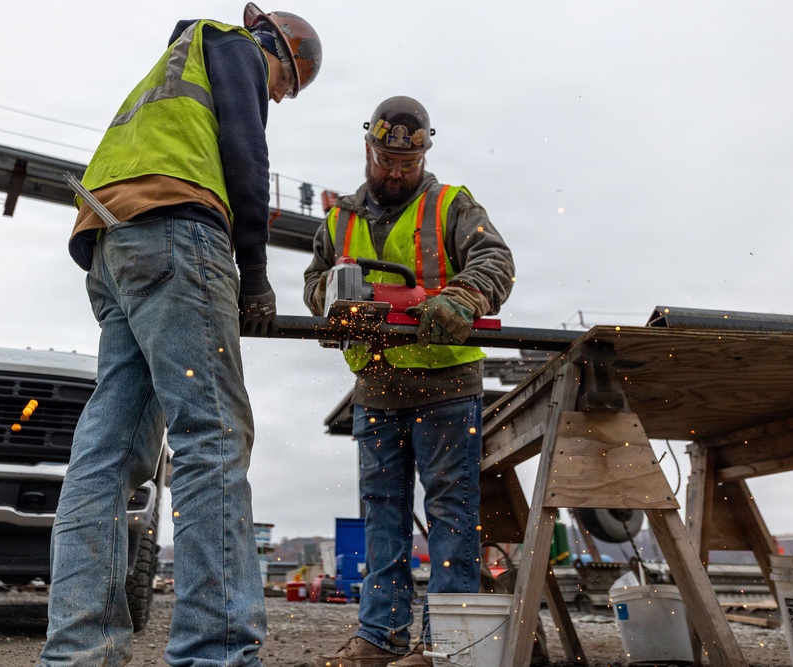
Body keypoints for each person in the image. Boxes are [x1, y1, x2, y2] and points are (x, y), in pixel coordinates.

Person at [38, 5, 321, 666]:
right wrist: (253, 272)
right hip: (176, 230)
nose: (278, 94)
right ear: (278, 49)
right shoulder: (232, 45)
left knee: (106, 455)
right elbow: (248, 156)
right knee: (212, 435)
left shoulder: (168, 72)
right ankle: (215, 651)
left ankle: (80, 652)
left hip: (113, 246)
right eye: (287, 83)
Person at [304, 97, 515, 667]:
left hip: (446, 383)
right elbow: (313, 282)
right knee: (383, 514)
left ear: (423, 153)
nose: (395, 171)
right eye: (385, 160)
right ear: (369, 149)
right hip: (377, 383)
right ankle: (380, 638)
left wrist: (462, 296)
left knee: (450, 513)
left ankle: (444, 645)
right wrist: (332, 296)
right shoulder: (338, 219)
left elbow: (495, 260)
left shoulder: (453, 206)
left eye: (407, 162)